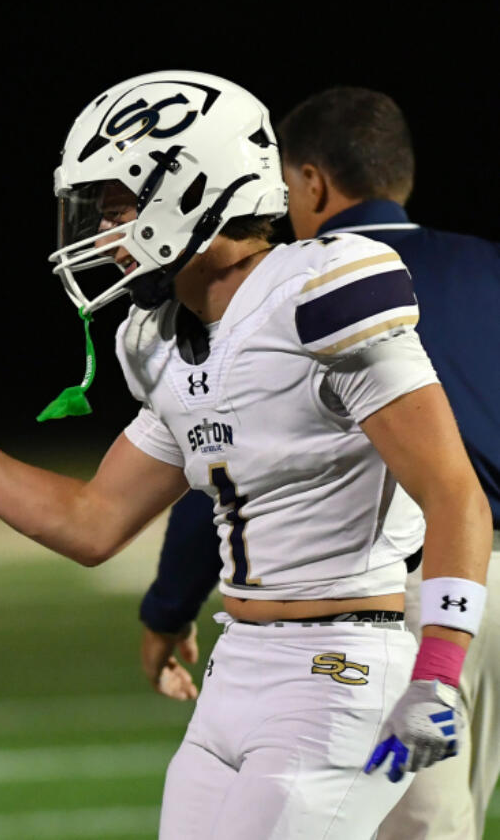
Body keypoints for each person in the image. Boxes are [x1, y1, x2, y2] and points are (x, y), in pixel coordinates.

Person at [0, 70, 491, 839]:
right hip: (235, 668)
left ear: (191, 187)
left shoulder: (323, 289)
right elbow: (92, 520)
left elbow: (452, 491)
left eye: (117, 207)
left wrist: (440, 666)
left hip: (336, 671)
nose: (100, 234)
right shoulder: (162, 342)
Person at [139, 86, 500, 840]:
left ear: (309, 182)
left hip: (403, 587)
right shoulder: (486, 268)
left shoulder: (308, 285)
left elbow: (237, 474)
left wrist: (170, 605)